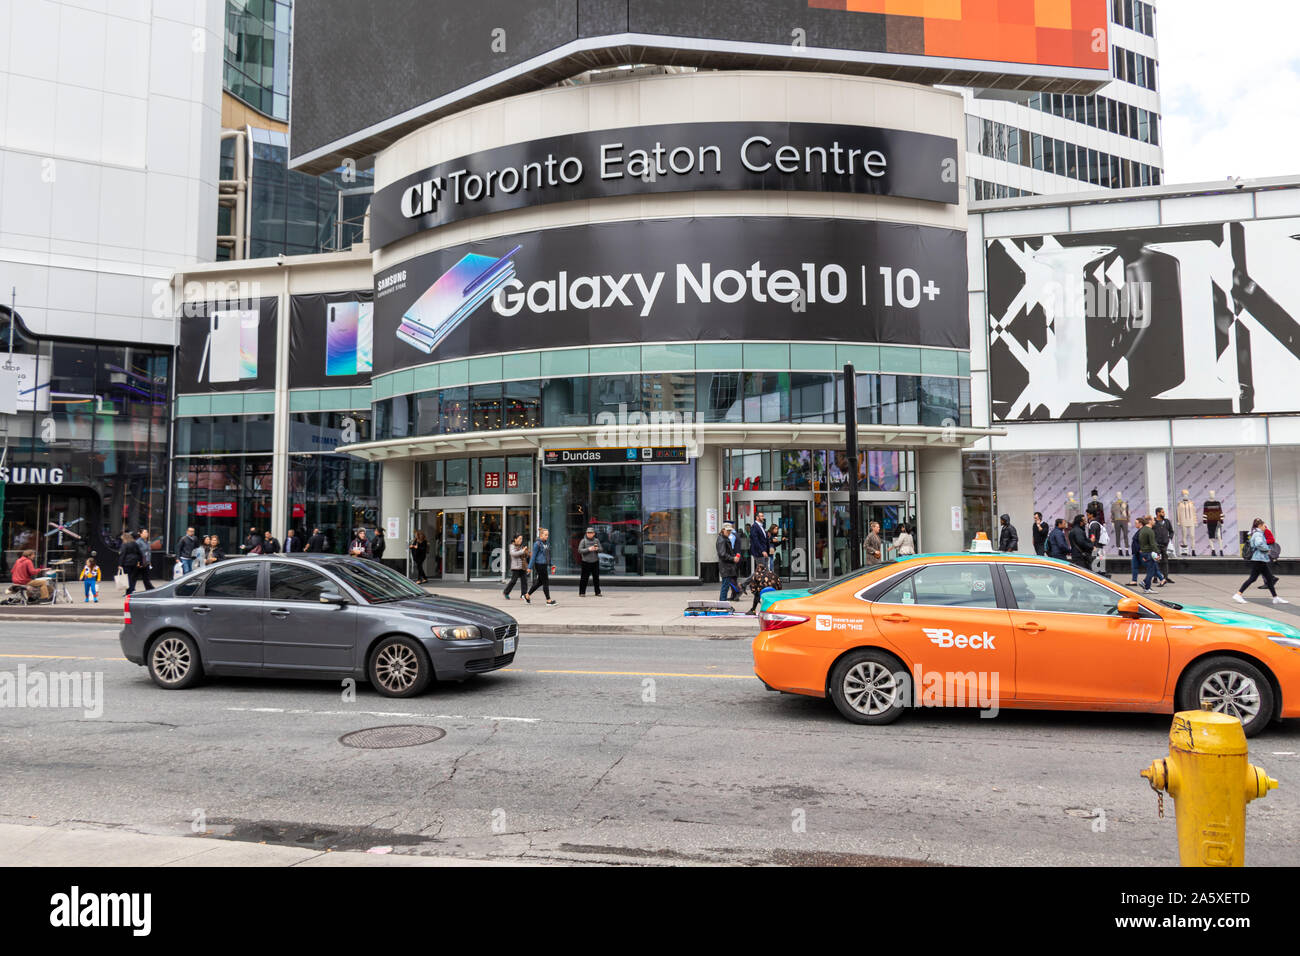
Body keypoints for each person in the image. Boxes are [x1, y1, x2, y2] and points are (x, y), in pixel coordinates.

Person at [1234, 518, 1287, 605]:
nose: (1265, 527)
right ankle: (1238, 594)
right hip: (1259, 559)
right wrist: (1267, 549)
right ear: (1260, 526)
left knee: (1268, 578)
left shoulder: (1256, 533)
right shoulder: (1258, 534)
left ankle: (1275, 597)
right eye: (1264, 525)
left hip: (1260, 559)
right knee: (1253, 578)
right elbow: (1259, 544)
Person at [525, 528, 556, 605]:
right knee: (545, 582)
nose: (547, 536)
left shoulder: (546, 543)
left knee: (539, 582)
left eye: (547, 535)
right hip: (539, 565)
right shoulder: (537, 544)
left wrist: (551, 564)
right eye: (545, 535)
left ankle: (527, 595)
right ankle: (548, 600)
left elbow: (548, 556)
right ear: (541, 535)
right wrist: (529, 567)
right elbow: (533, 556)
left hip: (544, 564)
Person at [1137, 515, 1165, 591]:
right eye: (1153, 520)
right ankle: (1147, 587)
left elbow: (1140, 542)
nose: (1154, 521)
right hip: (1149, 553)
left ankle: (1145, 583)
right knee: (1151, 571)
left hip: (1144, 552)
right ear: (1149, 521)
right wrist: (1158, 553)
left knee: (1152, 570)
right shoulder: (1150, 531)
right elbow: (1153, 544)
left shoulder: (1142, 530)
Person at [716, 522, 742, 602]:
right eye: (727, 531)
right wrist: (733, 558)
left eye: (730, 531)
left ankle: (722, 603)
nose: (729, 532)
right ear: (723, 530)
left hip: (727, 566)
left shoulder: (724, 538)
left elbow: (724, 553)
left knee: (726, 585)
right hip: (726, 566)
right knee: (725, 586)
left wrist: (733, 557)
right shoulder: (722, 540)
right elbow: (722, 554)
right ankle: (722, 603)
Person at [1152, 508, 1176, 584]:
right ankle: (1155, 577)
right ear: (1158, 513)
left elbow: (1171, 531)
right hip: (1156, 545)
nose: (1164, 513)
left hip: (1165, 544)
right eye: (1162, 512)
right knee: (1156, 561)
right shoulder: (1154, 522)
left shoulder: (1167, 522)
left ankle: (1166, 577)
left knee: (1165, 561)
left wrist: (1169, 538)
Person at [578, 526, 603, 597]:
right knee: (584, 578)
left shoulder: (596, 541)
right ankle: (582, 592)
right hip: (586, 562)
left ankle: (597, 592)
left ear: (594, 533)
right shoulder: (583, 541)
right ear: (586, 533)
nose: (589, 534)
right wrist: (588, 549)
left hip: (595, 561)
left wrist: (597, 549)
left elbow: (601, 549)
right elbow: (579, 550)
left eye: (591, 533)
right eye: (588, 533)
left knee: (596, 578)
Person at [502, 533, 527, 598]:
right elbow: (513, 554)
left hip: (522, 566)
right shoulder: (512, 546)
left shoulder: (521, 546)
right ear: (515, 539)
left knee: (524, 581)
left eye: (521, 539)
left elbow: (524, 555)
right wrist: (522, 551)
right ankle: (506, 592)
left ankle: (523, 595)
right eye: (519, 539)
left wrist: (526, 552)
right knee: (513, 581)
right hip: (515, 567)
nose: (521, 540)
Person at [1127, 518, 1144, 586]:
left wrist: (1141, 550)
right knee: (1134, 566)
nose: (1135, 524)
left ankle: (1161, 578)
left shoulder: (1142, 531)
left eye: (1136, 523)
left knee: (1149, 566)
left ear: (1140, 523)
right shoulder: (1139, 531)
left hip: (1139, 552)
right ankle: (1134, 580)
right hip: (1136, 552)